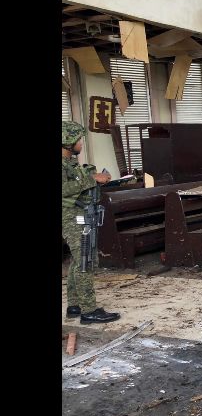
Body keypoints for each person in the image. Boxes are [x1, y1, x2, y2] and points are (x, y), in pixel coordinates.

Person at [62, 121, 120, 324]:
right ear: (68, 140)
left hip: (78, 213)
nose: (80, 143)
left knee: (78, 261)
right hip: (69, 217)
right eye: (78, 139)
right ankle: (89, 311)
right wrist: (92, 179)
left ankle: (74, 305)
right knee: (84, 261)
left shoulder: (69, 163)